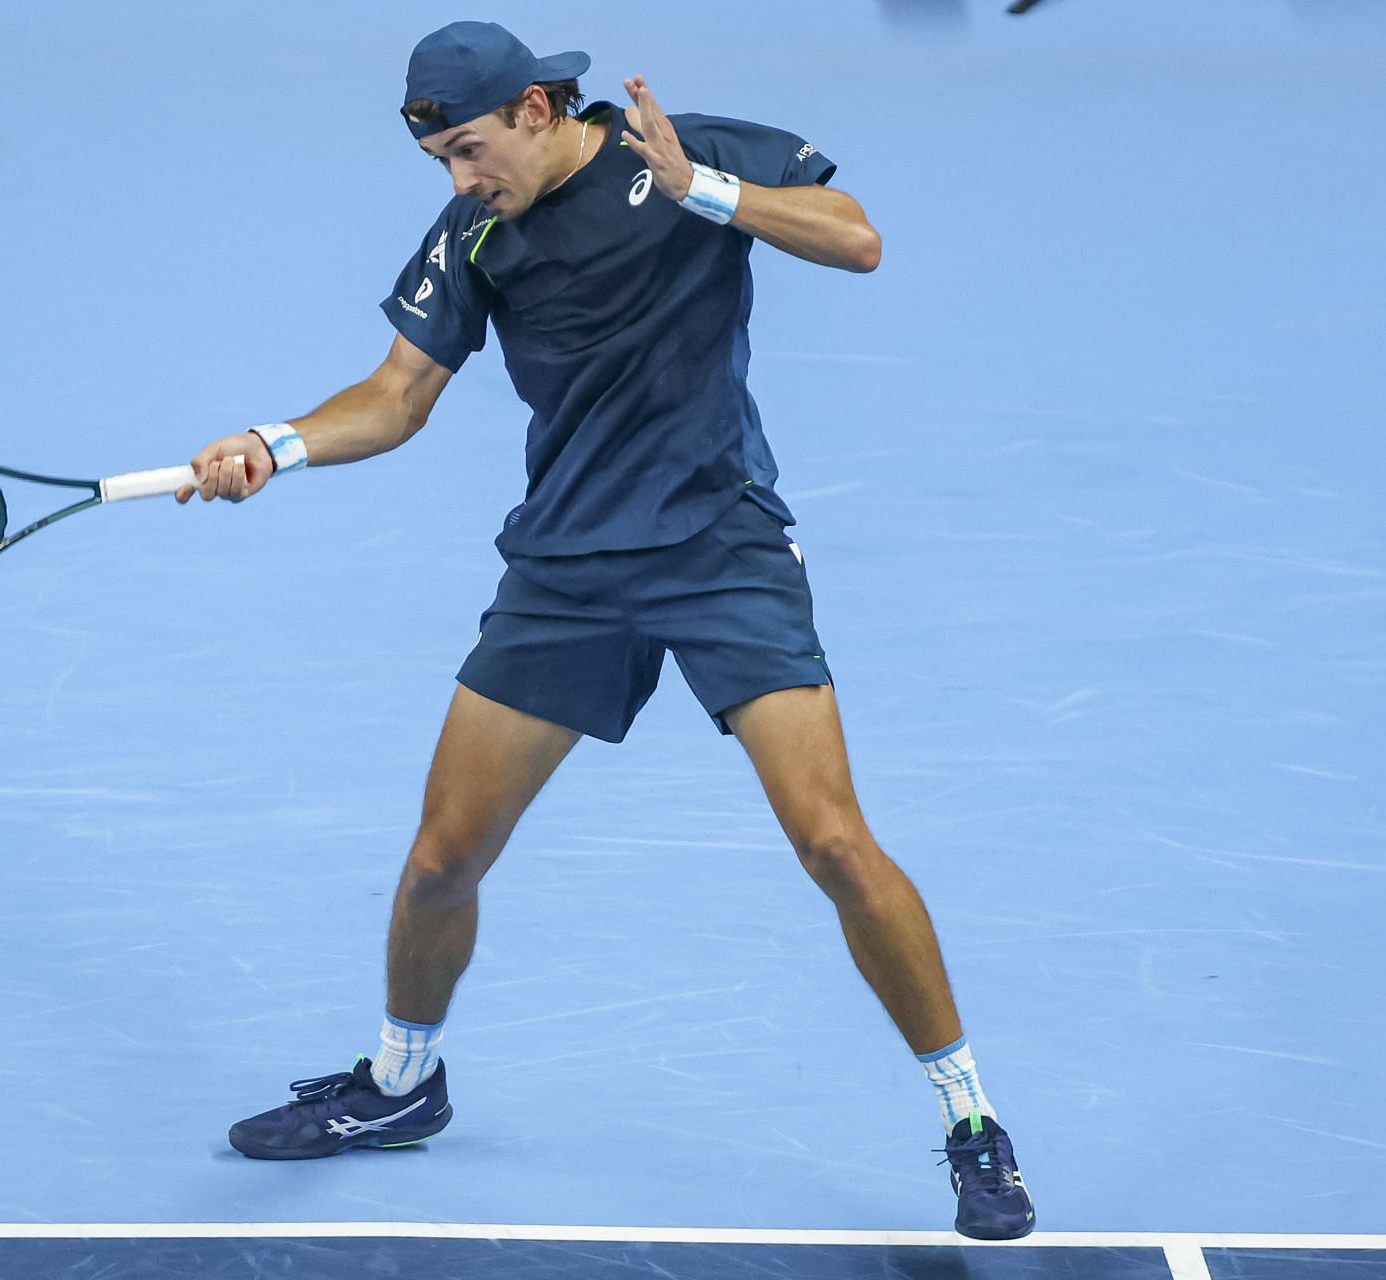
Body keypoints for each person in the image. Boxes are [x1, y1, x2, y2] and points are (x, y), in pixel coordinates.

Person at [176, 20, 1035, 1240]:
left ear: (536, 109)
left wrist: (708, 192)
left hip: (720, 552)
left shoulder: (674, 153)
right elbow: (397, 393)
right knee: (438, 863)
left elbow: (858, 240)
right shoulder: (477, 232)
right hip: (568, 569)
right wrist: (277, 441)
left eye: (470, 149)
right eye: (440, 161)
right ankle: (400, 1085)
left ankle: (970, 1121)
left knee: (837, 844)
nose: (461, 179)